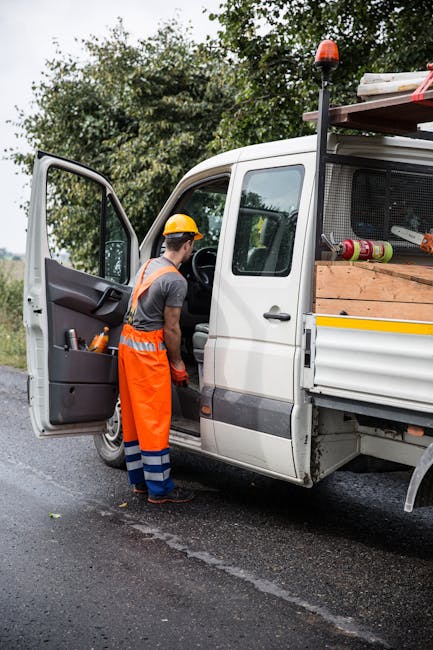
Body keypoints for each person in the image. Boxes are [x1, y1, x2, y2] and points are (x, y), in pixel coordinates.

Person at [118, 213, 203, 504]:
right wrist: (178, 364)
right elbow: (171, 329)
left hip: (127, 347)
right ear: (188, 244)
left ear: (167, 240)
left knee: (133, 416)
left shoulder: (148, 266)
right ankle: (161, 490)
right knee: (154, 419)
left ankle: (140, 482)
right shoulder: (176, 281)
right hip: (147, 352)